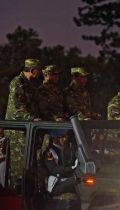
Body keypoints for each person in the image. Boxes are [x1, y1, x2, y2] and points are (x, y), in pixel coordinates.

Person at [5, 58, 41, 189]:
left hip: (28, 130)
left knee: (29, 167)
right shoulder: (17, 83)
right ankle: (17, 198)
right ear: (32, 70)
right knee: (18, 168)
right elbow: (17, 107)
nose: (40, 72)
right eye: (38, 70)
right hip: (17, 132)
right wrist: (31, 118)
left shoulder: (30, 85)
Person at [44, 129, 80, 210]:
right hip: (55, 184)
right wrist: (71, 168)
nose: (64, 139)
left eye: (65, 137)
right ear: (55, 139)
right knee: (78, 180)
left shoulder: (64, 150)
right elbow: (54, 169)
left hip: (64, 180)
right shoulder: (50, 152)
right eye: (61, 137)